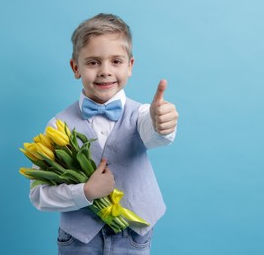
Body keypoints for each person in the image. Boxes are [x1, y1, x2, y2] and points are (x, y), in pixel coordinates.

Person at [29, 13, 179, 254]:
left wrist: (162, 123)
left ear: (130, 66)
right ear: (75, 67)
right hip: (79, 240)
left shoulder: (142, 114)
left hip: (133, 236)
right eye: (93, 62)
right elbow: (39, 195)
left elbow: (153, 134)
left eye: (116, 61)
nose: (105, 71)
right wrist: (85, 192)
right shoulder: (57, 126)